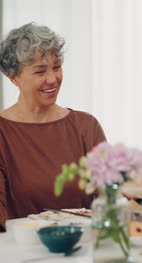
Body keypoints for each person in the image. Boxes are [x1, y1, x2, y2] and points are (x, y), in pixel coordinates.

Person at [0, 23, 106, 231]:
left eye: (56, 67)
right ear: (13, 78)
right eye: (40, 72)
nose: (52, 79)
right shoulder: (3, 132)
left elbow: (111, 199)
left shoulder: (86, 126)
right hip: (21, 253)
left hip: (82, 248)